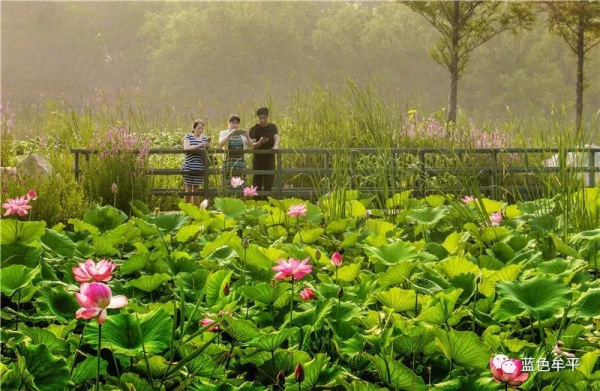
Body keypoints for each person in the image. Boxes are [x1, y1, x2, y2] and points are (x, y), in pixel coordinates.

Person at [218, 114, 255, 192]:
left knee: (241, 186)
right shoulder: (224, 133)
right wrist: (230, 134)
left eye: (237, 123)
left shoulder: (241, 135)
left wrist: (247, 136)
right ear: (229, 123)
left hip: (240, 164)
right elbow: (220, 144)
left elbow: (251, 145)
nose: (235, 125)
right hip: (228, 163)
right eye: (233, 123)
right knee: (227, 186)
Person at [248, 107, 280, 194]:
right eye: (260, 118)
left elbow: (276, 137)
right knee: (257, 183)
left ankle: (267, 202)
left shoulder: (272, 127)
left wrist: (276, 146)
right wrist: (260, 142)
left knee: (269, 182)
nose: (262, 120)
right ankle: (257, 202)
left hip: (270, 159)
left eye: (264, 118)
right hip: (258, 159)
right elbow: (252, 144)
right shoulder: (254, 129)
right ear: (258, 118)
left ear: (267, 117)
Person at [182, 119, 210, 205]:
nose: (200, 130)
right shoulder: (188, 137)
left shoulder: (204, 138)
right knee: (188, 189)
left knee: (196, 189)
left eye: (202, 128)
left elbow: (207, 150)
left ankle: (196, 209)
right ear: (194, 128)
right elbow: (186, 148)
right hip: (189, 165)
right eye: (199, 128)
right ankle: (186, 209)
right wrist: (199, 145)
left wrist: (208, 145)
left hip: (199, 166)